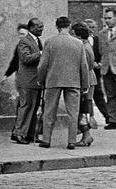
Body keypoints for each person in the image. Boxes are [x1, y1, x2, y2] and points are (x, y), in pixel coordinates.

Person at [36, 17, 91, 149]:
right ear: (69, 26)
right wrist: (85, 84)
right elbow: (83, 66)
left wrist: (40, 79)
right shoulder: (78, 43)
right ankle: (71, 141)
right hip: (73, 81)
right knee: (73, 113)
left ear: (57, 27)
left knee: (49, 111)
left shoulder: (50, 42)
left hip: (53, 80)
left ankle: (46, 140)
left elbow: (42, 65)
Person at [9, 18, 44, 144]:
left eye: (42, 26)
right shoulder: (24, 41)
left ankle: (29, 134)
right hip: (27, 80)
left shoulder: (37, 40)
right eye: (39, 26)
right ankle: (18, 133)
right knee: (26, 106)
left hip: (35, 80)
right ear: (31, 28)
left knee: (33, 107)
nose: (42, 29)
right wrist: (41, 53)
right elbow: (25, 58)